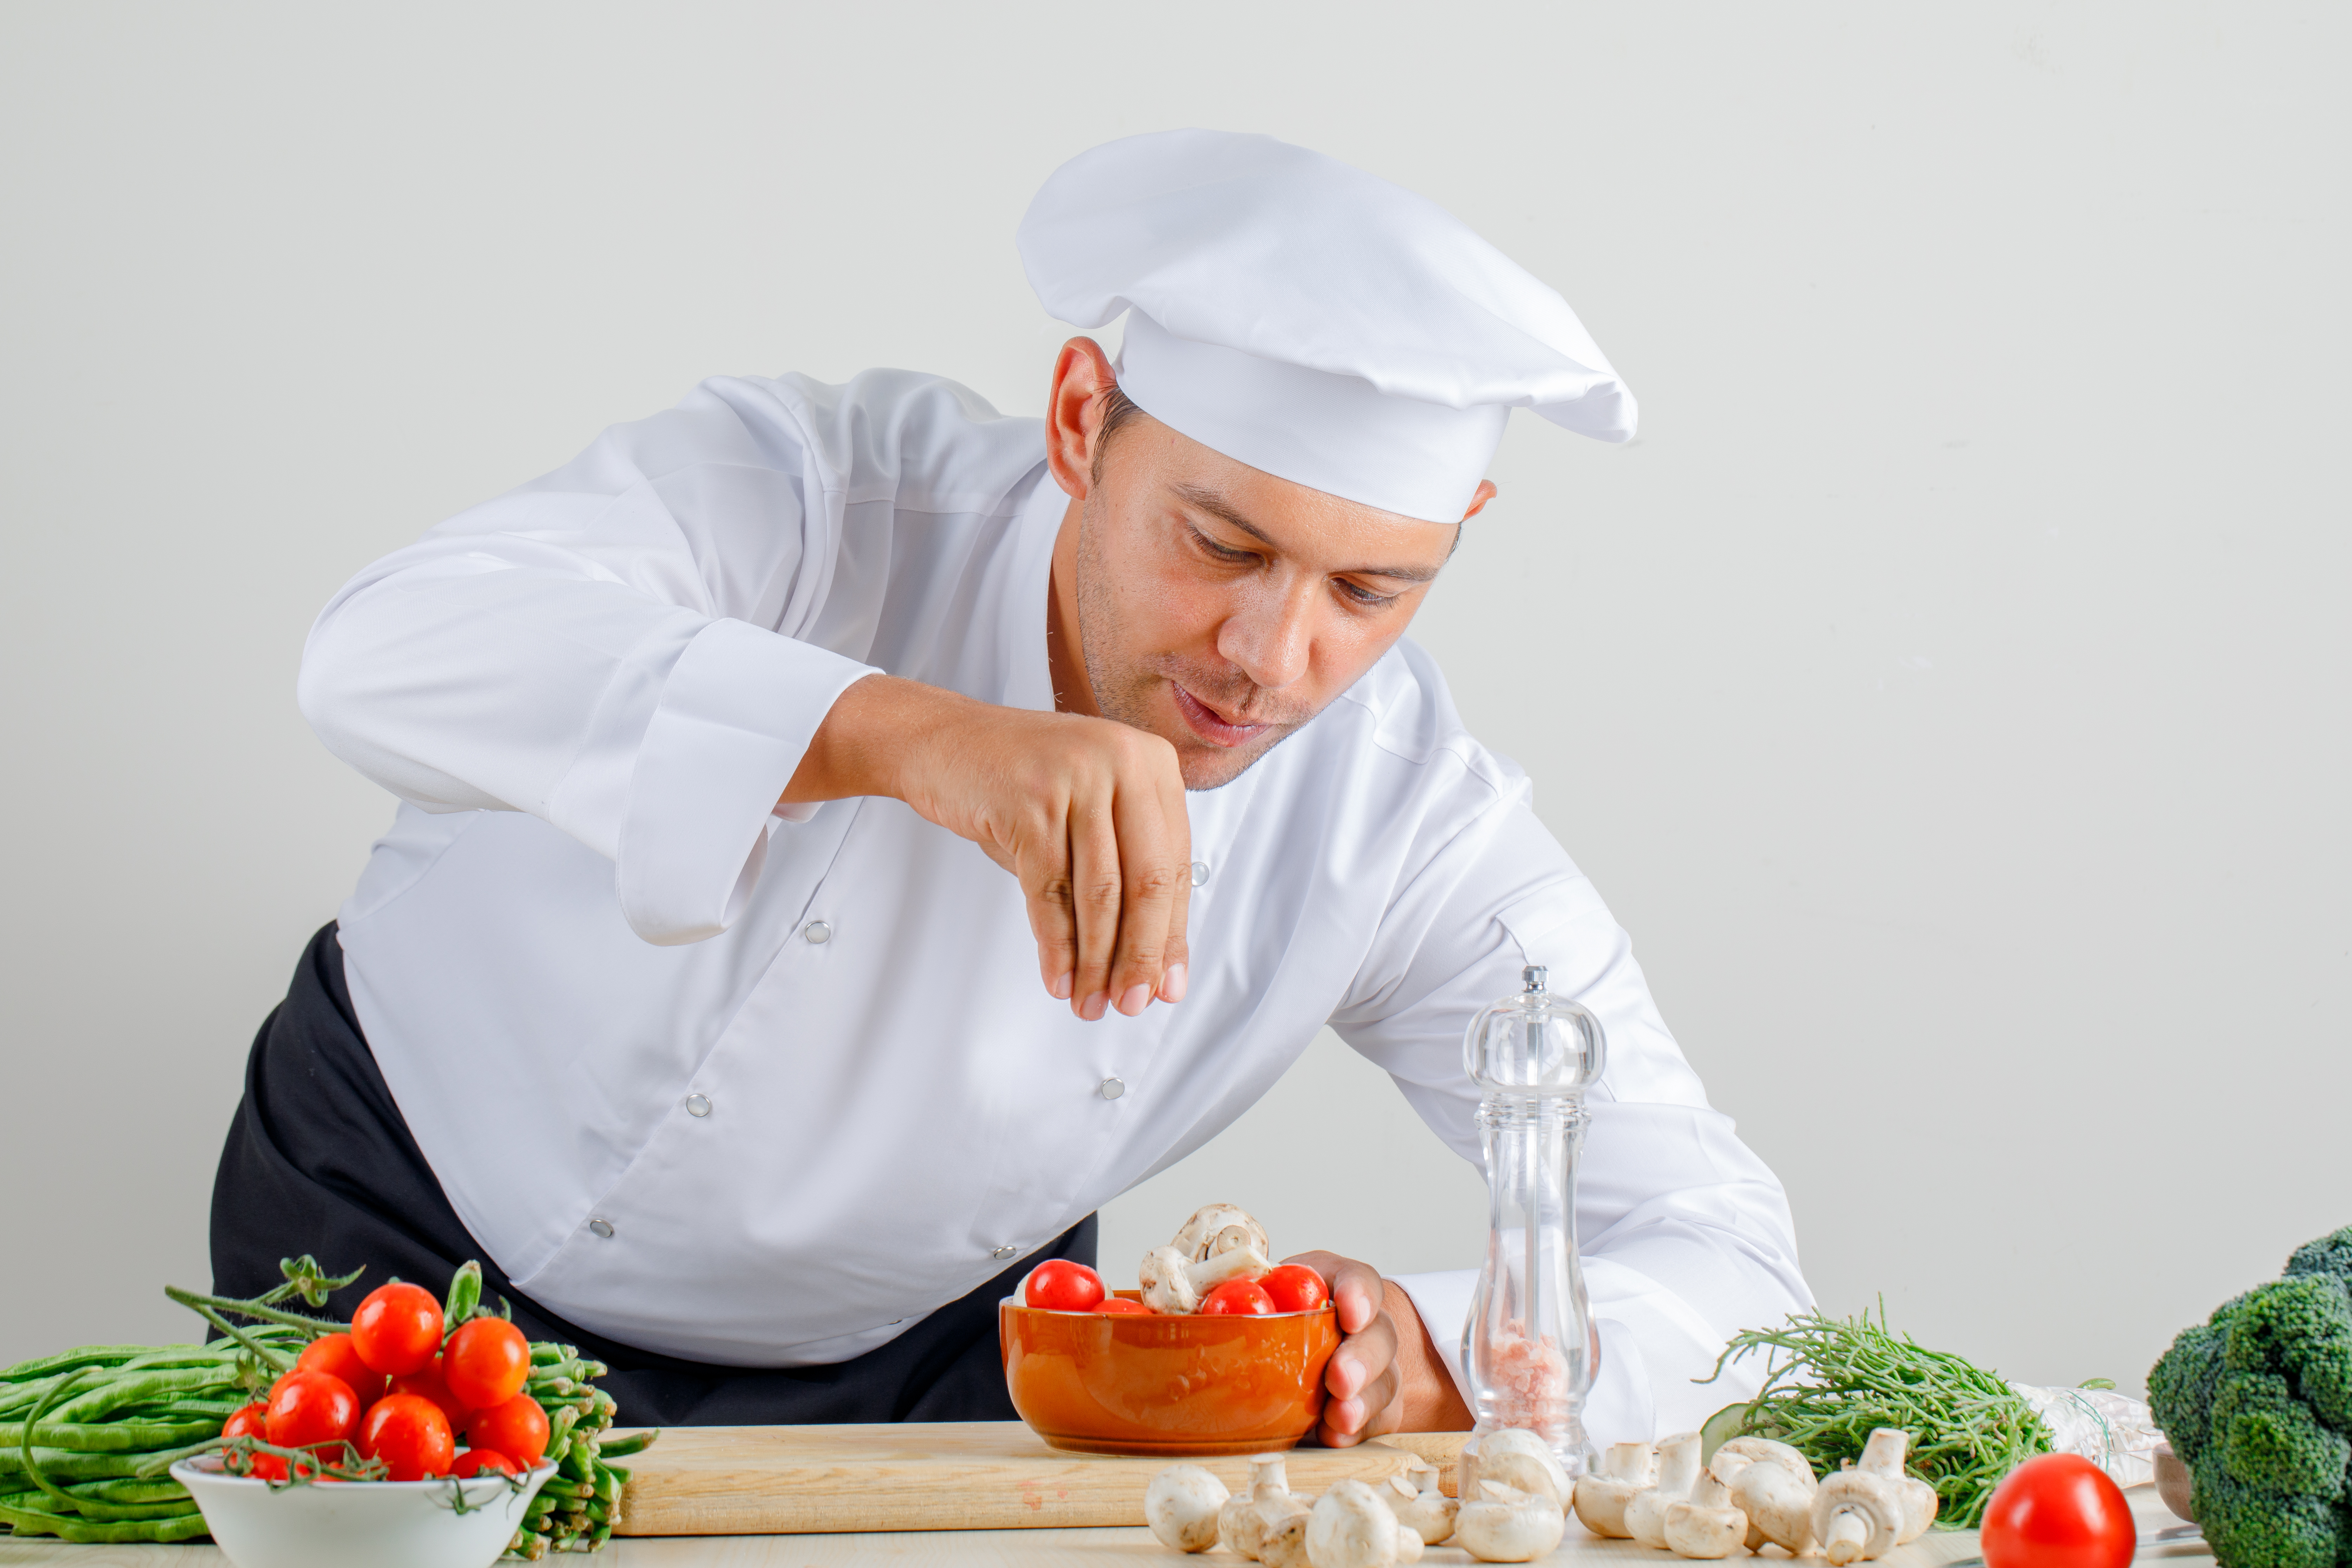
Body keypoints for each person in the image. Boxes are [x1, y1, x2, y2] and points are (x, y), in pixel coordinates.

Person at [213, 130, 1810, 1445]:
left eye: (1370, 593)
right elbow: (376, 655)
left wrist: (1441, 1349)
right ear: (1075, 423)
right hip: (396, 1227)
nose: (1270, 656)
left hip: (908, 1362)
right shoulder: (817, 497)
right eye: (1222, 545)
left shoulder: (1405, 822)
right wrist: (902, 735)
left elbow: (1727, 1253)